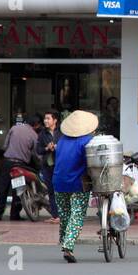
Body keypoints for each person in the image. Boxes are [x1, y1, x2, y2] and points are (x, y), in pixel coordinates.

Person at [52, 109, 97, 262]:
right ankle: (68, 246)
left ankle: (64, 240)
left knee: (64, 215)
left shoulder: (61, 140)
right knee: (77, 214)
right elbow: (91, 163)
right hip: (78, 183)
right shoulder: (87, 141)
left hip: (58, 181)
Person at [0, 114, 40, 220]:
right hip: (21, 165)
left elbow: (5, 145)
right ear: (36, 125)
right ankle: (14, 215)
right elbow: (35, 154)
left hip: (8, 162)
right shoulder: (34, 135)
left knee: (3, 187)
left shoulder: (14, 128)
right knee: (18, 189)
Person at [37, 110, 61, 224]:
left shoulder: (61, 132)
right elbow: (38, 150)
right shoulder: (42, 134)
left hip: (60, 165)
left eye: (48, 118)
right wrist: (47, 148)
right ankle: (55, 216)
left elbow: (67, 146)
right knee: (51, 190)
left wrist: (57, 147)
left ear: (55, 120)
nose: (45, 121)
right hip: (48, 166)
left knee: (61, 190)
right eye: (45, 118)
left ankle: (63, 215)